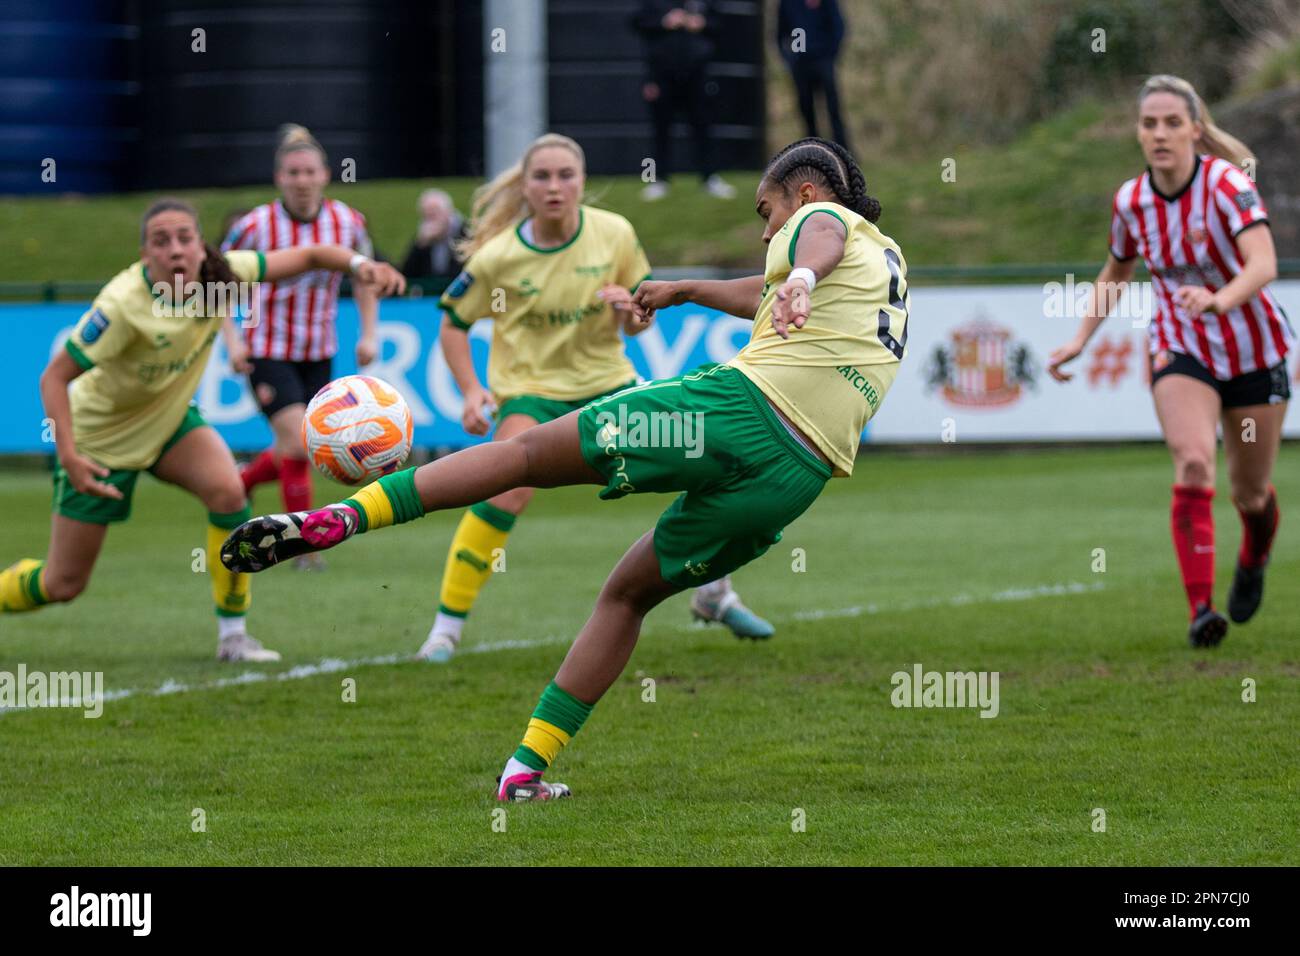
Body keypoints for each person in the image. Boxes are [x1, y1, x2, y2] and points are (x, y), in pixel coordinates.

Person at [220, 137, 906, 801]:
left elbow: (817, 243)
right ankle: (524, 771)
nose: (767, 233)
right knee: (627, 596)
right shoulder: (887, 260)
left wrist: (804, 275)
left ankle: (345, 516)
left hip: (731, 415)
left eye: (767, 213)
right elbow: (773, 284)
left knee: (520, 459)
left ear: (807, 192)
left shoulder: (822, 220)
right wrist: (692, 288)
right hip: (796, 476)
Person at [0, 198, 405, 660]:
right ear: (145, 254)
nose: (175, 250)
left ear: (200, 244)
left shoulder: (222, 272)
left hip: (171, 423)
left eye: (184, 238)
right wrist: (69, 455)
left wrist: (360, 265)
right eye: (161, 241)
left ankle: (233, 637)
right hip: (103, 443)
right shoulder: (121, 305)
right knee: (63, 583)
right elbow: (54, 377)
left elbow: (312, 255)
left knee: (230, 494)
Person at [417, 132, 770, 662]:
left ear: (582, 182)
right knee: (504, 490)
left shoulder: (614, 234)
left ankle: (714, 594)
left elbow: (641, 324)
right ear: (526, 186)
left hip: (610, 387)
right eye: (542, 176)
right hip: (531, 395)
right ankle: (444, 631)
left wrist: (628, 310)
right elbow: (451, 323)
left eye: (566, 176)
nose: (554, 186)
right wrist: (471, 391)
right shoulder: (499, 256)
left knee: (710, 459)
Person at [1048, 75, 1293, 648]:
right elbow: (1117, 271)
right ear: (1139, 132)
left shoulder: (1228, 185)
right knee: (1192, 463)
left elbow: (1263, 264)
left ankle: (1254, 556)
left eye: (1172, 123)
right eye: (1149, 123)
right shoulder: (1131, 200)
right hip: (1181, 348)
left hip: (1255, 352)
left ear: (1195, 131)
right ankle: (1200, 611)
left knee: (1251, 495)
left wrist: (1219, 299)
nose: (1159, 134)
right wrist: (1080, 338)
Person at [222, 124, 381, 570]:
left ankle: (246, 478)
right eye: (293, 172)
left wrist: (369, 332)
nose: (302, 180)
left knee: (303, 445)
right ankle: (306, 544)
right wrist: (232, 340)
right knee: (296, 440)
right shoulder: (254, 225)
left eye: (309, 171)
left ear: (325, 174)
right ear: (279, 178)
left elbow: (366, 277)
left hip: (319, 349)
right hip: (266, 348)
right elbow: (215, 279)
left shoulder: (349, 222)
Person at [633, 1, 735, 201]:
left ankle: (709, 178)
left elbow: (720, 24)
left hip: (697, 75)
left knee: (703, 128)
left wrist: (701, 23)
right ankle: (658, 180)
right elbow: (637, 22)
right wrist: (664, 21)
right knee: (660, 131)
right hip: (662, 76)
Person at [777, 0, 851, 152]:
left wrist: (830, 54)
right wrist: (789, 59)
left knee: (833, 108)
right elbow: (780, 32)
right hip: (800, 63)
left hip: (823, 60)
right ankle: (812, 151)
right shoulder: (788, 3)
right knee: (806, 109)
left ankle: (843, 151)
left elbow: (838, 27)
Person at [400, 188, 466, 281]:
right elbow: (407, 274)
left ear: (448, 212)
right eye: (426, 216)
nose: (431, 221)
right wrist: (420, 244)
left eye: (434, 214)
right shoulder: (423, 239)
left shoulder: (466, 233)